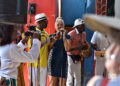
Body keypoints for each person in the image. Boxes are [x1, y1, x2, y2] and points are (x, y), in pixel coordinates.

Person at [84, 0, 120, 85]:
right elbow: (92, 43)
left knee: (107, 74)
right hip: (100, 55)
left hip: (109, 57)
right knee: (99, 72)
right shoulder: (97, 33)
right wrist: (98, 49)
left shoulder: (97, 82)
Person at [48, 17, 71, 86]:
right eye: (58, 25)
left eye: (61, 25)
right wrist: (55, 39)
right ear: (55, 26)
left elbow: (67, 49)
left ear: (63, 26)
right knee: (52, 83)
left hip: (63, 62)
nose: (59, 26)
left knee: (63, 84)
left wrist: (64, 37)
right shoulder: (52, 36)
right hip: (53, 61)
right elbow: (49, 48)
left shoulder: (67, 36)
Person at [28, 13, 49, 86]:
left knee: (43, 84)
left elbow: (48, 49)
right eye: (45, 21)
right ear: (39, 22)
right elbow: (35, 47)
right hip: (33, 64)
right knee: (33, 83)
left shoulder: (46, 34)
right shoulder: (32, 32)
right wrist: (46, 41)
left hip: (43, 63)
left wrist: (52, 42)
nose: (47, 22)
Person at [66, 18, 88, 86]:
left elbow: (84, 44)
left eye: (84, 25)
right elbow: (68, 49)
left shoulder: (84, 34)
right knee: (70, 78)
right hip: (70, 57)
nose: (84, 27)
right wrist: (79, 47)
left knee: (78, 78)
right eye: (82, 25)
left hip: (78, 57)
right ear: (77, 27)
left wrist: (85, 47)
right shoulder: (70, 34)